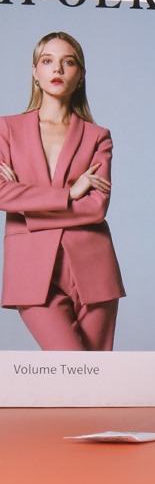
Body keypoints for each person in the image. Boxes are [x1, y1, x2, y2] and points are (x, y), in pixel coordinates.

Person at [0, 31, 125, 351]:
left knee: (97, 373)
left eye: (68, 62)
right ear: (35, 72)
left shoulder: (98, 136)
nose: (57, 69)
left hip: (94, 271)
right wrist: (69, 195)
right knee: (69, 365)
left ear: (80, 75)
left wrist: (26, 205)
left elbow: (96, 208)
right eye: (47, 61)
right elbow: (1, 193)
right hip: (31, 271)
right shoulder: (6, 129)